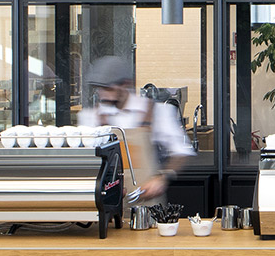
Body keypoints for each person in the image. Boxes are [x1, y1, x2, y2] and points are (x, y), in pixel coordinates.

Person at [81, 55, 194, 204]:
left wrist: (161, 178)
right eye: (99, 89)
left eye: (108, 88)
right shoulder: (92, 118)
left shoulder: (154, 112)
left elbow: (181, 152)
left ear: (125, 84)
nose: (103, 94)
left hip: (147, 202)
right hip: (107, 203)